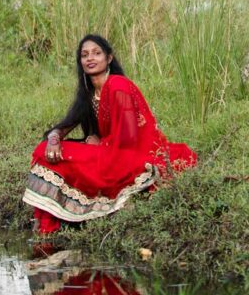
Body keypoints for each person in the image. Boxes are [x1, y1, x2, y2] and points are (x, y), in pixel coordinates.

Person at [23, 34, 197, 235]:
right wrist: (54, 139)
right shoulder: (88, 93)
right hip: (109, 152)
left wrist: (100, 144)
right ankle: (51, 222)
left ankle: (64, 219)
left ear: (109, 58)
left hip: (132, 156)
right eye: (85, 55)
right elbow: (65, 125)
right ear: (80, 61)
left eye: (97, 53)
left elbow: (129, 137)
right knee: (44, 150)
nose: (90, 58)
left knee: (59, 155)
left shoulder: (118, 85)